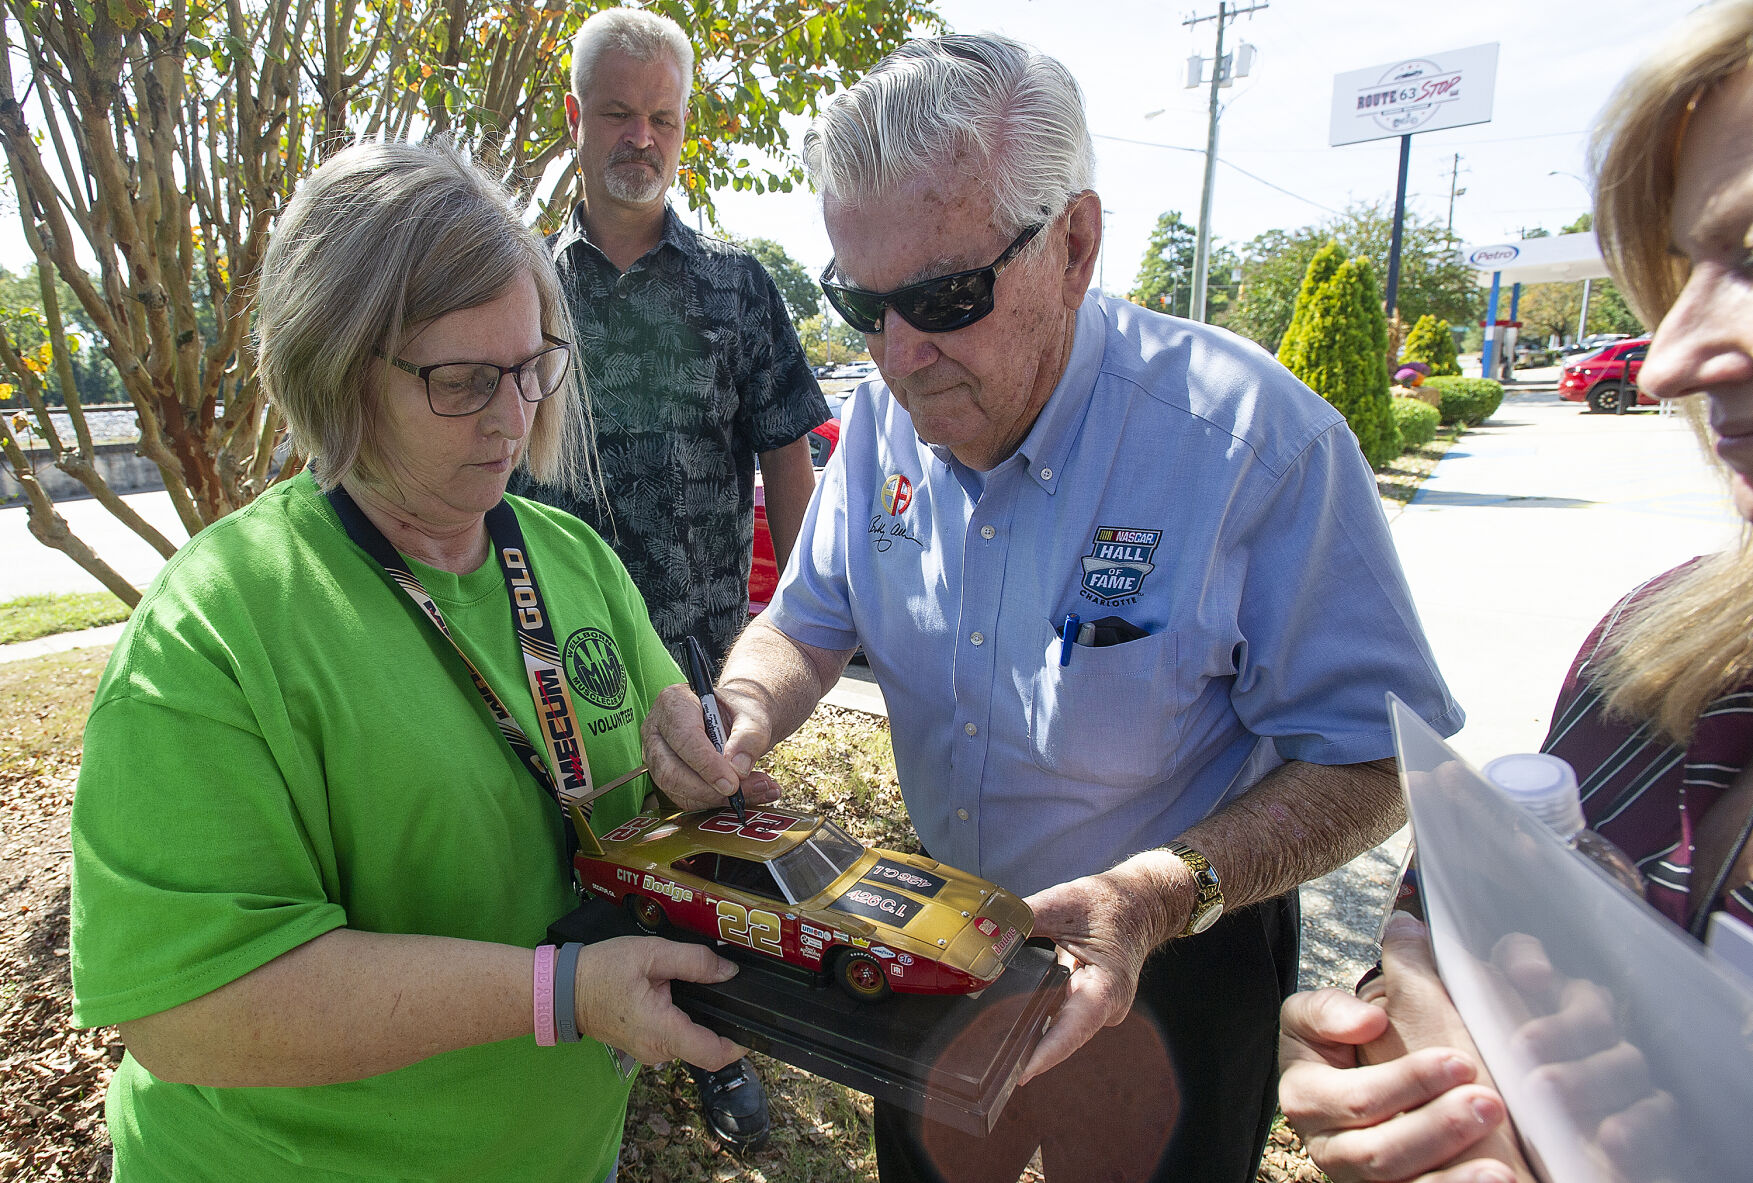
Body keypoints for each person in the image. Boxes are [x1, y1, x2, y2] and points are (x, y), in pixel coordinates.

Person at [641, 32, 1463, 1183]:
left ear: (1073, 244)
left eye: (941, 296)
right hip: (931, 931)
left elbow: (1374, 761)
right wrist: (739, 712)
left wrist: (1160, 892)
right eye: (861, 304)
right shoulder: (885, 417)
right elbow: (809, 620)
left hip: (1172, 958)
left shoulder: (1251, 448)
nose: (899, 355)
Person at [67, 139, 746, 1182]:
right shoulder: (216, 627)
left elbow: (652, 766)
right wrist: (558, 992)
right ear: (336, 369)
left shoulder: (566, 557)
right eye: (463, 381)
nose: (514, 417)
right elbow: (185, 1010)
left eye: (530, 368)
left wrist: (698, 792)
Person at [1278, 4, 1753, 1179]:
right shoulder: (1651, 652)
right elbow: (1441, 947)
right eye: (1685, 268)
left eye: (1751, 257)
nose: (1667, 360)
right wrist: (1389, 1054)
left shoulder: (1264, 436)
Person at [511, 15, 827, 1142]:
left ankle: (717, 1053)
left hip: (702, 657)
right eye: (616, 113)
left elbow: (788, 458)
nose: (639, 138)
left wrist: (807, 618)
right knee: (568, 857)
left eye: (662, 117)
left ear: (684, 126)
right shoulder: (523, 288)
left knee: (716, 877)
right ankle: (568, 1042)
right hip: (544, 659)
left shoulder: (740, 289)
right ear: (575, 119)